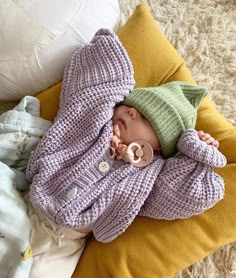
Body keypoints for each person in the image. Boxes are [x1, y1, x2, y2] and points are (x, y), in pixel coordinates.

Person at [25, 29, 226, 277]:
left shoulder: (151, 176)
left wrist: (198, 152)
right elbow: (88, 94)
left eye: (144, 117)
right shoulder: (98, 123)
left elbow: (194, 194)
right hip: (30, 203)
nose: (130, 112)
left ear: (160, 145)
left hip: (63, 244)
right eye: (130, 105)